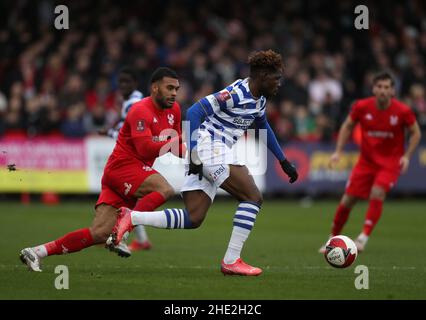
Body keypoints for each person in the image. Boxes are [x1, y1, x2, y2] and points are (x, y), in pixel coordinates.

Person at [107, 50, 298, 276]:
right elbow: (195, 111)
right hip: (209, 146)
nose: (279, 83)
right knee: (252, 197)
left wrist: (283, 160)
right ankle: (231, 260)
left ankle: (132, 216)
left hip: (216, 150)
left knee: (193, 217)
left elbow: (263, 125)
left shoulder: (261, 99)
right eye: (276, 78)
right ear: (263, 75)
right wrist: (195, 151)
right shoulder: (236, 93)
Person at [20, 67, 185, 271]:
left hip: (127, 173)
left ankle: (37, 252)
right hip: (123, 167)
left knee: (98, 233)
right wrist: (173, 140)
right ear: (155, 87)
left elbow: (176, 145)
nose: (174, 93)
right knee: (165, 189)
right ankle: (127, 224)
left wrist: (194, 156)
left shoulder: (175, 110)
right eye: (169, 88)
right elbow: (144, 147)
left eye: (176, 88)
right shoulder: (140, 110)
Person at [319, 71, 421, 253]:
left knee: (377, 192)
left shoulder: (402, 111)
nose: (383, 91)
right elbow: (347, 126)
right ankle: (332, 238)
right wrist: (338, 151)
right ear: (373, 88)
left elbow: (416, 132)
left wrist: (406, 156)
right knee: (347, 200)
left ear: (392, 91)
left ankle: (363, 237)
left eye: (387, 87)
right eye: (379, 87)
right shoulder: (361, 107)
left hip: (390, 163)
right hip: (366, 162)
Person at [99, 66, 152, 251]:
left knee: (128, 197)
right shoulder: (132, 101)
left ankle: (118, 234)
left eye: (126, 82)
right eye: (120, 82)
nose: (122, 86)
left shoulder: (132, 103)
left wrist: (109, 132)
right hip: (136, 155)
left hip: (134, 157)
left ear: (135, 83)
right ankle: (140, 239)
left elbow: (128, 133)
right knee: (131, 197)